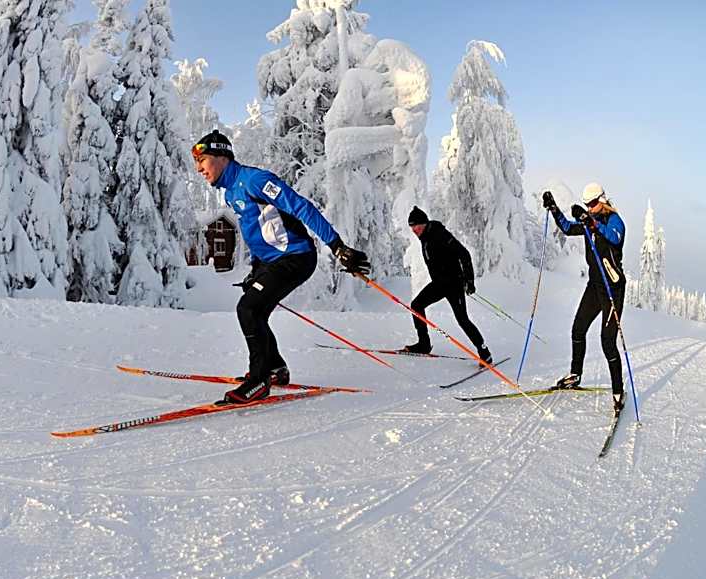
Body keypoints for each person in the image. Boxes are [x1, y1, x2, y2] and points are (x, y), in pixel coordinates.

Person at [191, 129, 370, 404]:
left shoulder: (255, 180)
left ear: (222, 156)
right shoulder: (230, 194)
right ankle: (274, 369)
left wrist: (336, 245)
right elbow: (259, 232)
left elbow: (301, 207)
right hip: (273, 260)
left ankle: (258, 381)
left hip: (296, 256)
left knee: (248, 309)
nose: (199, 169)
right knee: (256, 310)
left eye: (202, 160)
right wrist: (256, 269)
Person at [542, 183, 626, 413]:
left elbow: (615, 238)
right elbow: (568, 228)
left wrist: (593, 223)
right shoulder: (589, 222)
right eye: (587, 205)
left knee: (607, 341)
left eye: (592, 204)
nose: (589, 207)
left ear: (602, 200)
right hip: (594, 286)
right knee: (578, 329)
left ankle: (618, 391)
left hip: (613, 289)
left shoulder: (614, 220)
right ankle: (575, 375)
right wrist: (554, 209)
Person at [403, 206, 492, 366]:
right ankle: (424, 344)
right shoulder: (424, 238)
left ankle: (484, 353)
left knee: (462, 319)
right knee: (416, 305)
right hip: (439, 284)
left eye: (416, 226)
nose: (414, 230)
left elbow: (464, 254)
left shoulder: (439, 234)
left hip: (453, 284)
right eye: (412, 227)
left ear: (424, 223)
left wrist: (469, 280)